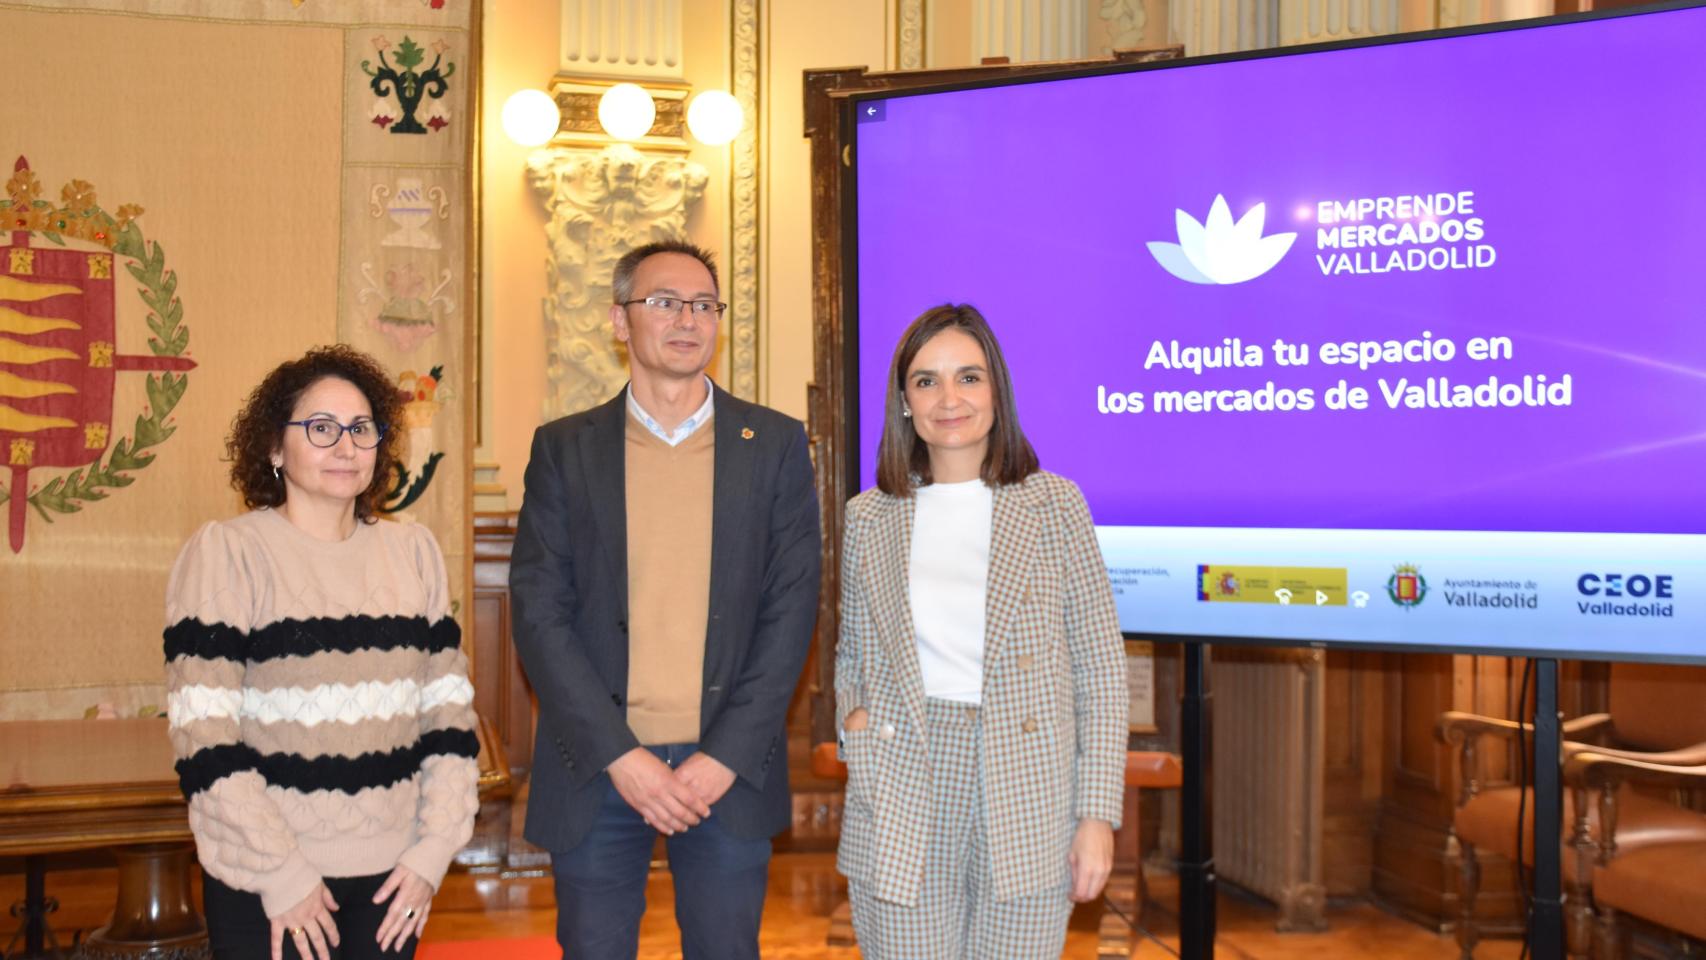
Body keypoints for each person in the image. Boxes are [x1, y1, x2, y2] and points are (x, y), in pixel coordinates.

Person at [508, 240, 822, 960]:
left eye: (704, 304)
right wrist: (623, 756)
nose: (688, 319)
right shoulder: (565, 448)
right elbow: (538, 611)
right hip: (598, 766)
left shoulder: (772, 444)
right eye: (664, 302)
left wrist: (723, 758)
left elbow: (791, 610)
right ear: (620, 321)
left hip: (727, 769)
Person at [164, 345, 480, 960]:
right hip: (269, 884)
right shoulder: (228, 554)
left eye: (362, 429)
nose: (346, 446)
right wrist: (284, 876)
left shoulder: (412, 552)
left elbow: (449, 724)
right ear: (275, 448)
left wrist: (431, 854)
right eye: (321, 428)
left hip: (395, 880)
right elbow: (205, 740)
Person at [834, 303, 1128, 959]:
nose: (949, 398)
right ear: (904, 402)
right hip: (904, 776)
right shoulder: (869, 517)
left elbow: (1102, 672)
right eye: (926, 380)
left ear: (996, 388)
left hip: (1027, 786)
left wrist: (1096, 817)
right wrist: (855, 730)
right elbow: (851, 652)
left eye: (968, 377)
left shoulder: (1056, 506)